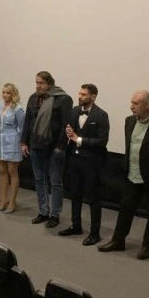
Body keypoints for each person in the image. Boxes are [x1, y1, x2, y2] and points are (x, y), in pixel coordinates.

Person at [98, 91, 149, 259]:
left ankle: (148, 245)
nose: (131, 106)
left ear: (148, 105)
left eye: (136, 103)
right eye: (131, 102)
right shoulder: (130, 121)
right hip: (131, 173)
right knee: (126, 208)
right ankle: (118, 240)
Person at [20, 71, 73, 228]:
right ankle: (43, 211)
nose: (38, 86)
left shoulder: (63, 99)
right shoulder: (33, 98)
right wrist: (23, 142)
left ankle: (55, 215)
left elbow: (66, 124)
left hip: (53, 147)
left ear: (50, 83)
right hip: (35, 145)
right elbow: (27, 120)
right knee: (39, 179)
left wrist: (60, 147)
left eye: (41, 83)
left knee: (55, 182)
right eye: (36, 82)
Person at [59, 84, 110, 246]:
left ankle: (95, 233)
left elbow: (102, 141)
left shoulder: (101, 115)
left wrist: (78, 139)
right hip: (74, 160)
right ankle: (76, 225)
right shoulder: (75, 110)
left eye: (83, 94)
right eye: (79, 93)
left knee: (93, 198)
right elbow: (70, 130)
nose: (79, 96)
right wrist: (68, 134)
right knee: (75, 195)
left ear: (93, 97)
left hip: (92, 163)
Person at [0, 83, 25, 214]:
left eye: (8, 93)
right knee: (2, 171)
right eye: (4, 92)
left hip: (12, 142)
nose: (5, 95)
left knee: (12, 172)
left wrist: (22, 143)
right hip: (0, 141)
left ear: (13, 94)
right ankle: (3, 200)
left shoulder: (18, 108)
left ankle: (12, 202)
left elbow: (22, 128)